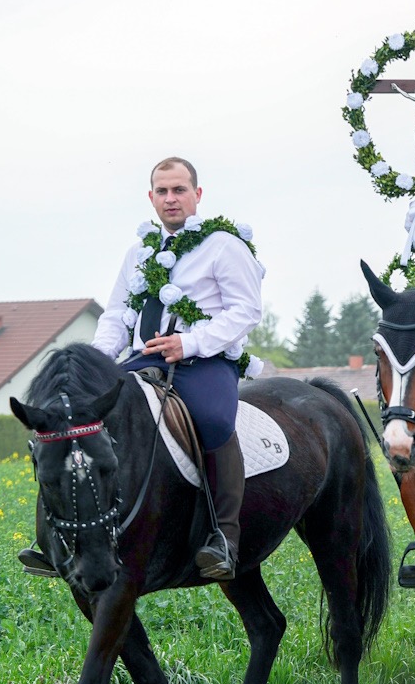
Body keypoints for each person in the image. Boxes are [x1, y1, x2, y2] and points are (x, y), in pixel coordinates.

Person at [38, 157, 266, 581]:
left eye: (179, 190)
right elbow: (117, 313)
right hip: (142, 358)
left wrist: (190, 342)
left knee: (215, 421)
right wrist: (100, 362)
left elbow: (246, 310)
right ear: (151, 198)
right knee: (77, 419)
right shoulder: (139, 253)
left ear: (198, 195)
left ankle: (224, 537)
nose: (170, 198)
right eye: (162, 191)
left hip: (205, 361)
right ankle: (57, 537)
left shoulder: (223, 246)